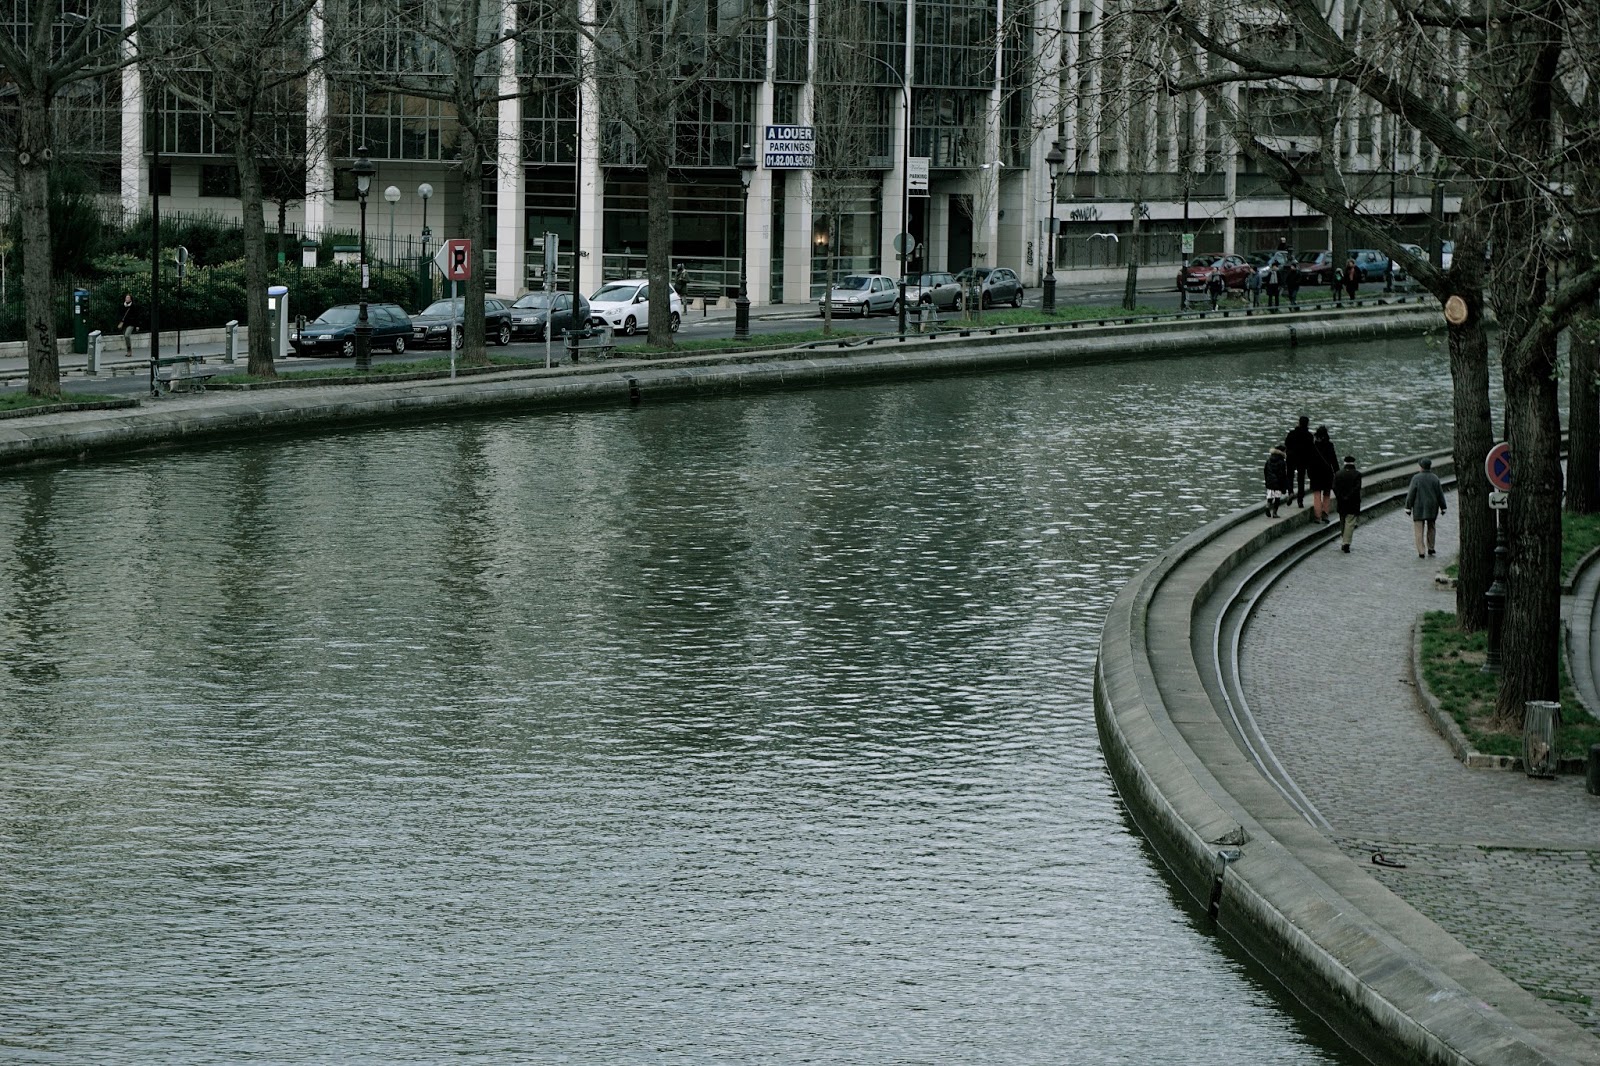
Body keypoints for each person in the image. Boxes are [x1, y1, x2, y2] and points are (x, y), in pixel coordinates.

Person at [1404, 457, 1448, 558]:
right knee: (1431, 527)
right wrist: (1443, 507)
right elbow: (1440, 494)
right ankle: (1431, 547)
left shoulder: (1416, 478)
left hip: (1419, 507)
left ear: (1421, 467)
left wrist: (1408, 507)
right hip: (1432, 507)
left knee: (1419, 529)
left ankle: (1421, 551)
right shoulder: (1435, 478)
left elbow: (1411, 494)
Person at [1309, 424, 1340, 523]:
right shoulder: (1330, 445)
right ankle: (1325, 513)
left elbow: (1309, 461)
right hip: (1327, 473)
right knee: (1327, 494)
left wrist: (1309, 473)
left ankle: (1317, 516)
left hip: (1315, 473)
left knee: (1317, 494)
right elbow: (1334, 460)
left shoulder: (1314, 446)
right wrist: (1337, 472)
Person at [1332, 455, 1362, 552]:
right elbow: (1357, 488)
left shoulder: (1338, 474)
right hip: (1353, 503)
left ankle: (1343, 538)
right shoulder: (1357, 474)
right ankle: (1346, 543)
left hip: (1341, 502)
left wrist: (1341, 496)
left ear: (1344, 463)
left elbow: (1334, 487)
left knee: (1342, 521)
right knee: (1350, 522)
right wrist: (1349, 496)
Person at [1284, 415, 1315, 508]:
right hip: (1303, 459)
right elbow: (1311, 449)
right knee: (1301, 479)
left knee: (1290, 476)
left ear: (1299, 423)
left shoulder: (1292, 433)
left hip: (1291, 458)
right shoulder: (1309, 436)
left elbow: (1286, 444)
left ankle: (1290, 492)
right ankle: (1300, 500)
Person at [1263, 443, 1291, 518]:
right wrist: (1284, 487)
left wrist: (1267, 480)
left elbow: (1265, 471)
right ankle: (1275, 513)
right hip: (1278, 483)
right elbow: (1282, 475)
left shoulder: (1268, 460)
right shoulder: (1282, 462)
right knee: (1277, 498)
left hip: (1270, 482)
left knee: (1270, 497)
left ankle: (1267, 506)